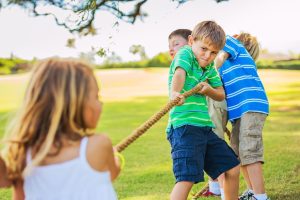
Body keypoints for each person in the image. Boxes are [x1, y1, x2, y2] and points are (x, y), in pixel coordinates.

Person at [0, 58, 122, 200]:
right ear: (77, 104)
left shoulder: (23, 157)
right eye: (97, 96)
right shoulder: (99, 145)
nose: (100, 103)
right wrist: (115, 157)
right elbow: (113, 173)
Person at [166, 20, 240, 200]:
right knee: (186, 178)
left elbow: (221, 94)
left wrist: (209, 90)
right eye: (204, 49)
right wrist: (175, 92)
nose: (208, 56)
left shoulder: (210, 67)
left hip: (204, 129)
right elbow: (179, 72)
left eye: (214, 52)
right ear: (191, 41)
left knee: (232, 167)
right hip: (184, 128)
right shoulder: (185, 54)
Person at [216, 33, 270, 200]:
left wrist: (211, 66)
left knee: (249, 149)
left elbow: (220, 41)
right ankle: (252, 191)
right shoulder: (227, 65)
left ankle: (260, 196)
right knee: (238, 152)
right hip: (238, 112)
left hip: (250, 106)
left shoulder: (235, 47)